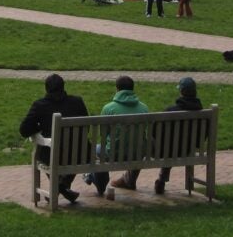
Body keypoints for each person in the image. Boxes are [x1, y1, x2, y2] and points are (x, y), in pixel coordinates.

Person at [19, 73, 89, 205]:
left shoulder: (40, 105)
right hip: (81, 154)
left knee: (44, 152)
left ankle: (58, 187)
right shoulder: (77, 102)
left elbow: (24, 130)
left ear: (46, 89)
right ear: (63, 87)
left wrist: (38, 127)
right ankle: (63, 187)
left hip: (54, 155)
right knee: (73, 151)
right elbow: (86, 128)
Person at [85, 76, 150, 193]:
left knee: (95, 150)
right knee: (137, 144)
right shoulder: (144, 108)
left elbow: (103, 136)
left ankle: (98, 183)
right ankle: (129, 181)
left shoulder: (109, 109)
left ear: (117, 89)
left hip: (113, 154)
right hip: (137, 154)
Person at [154, 77, 204, 195]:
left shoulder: (171, 111)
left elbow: (155, 131)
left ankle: (133, 180)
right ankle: (162, 180)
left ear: (181, 91)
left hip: (166, 151)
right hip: (187, 150)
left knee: (167, 148)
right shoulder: (202, 114)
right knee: (173, 147)